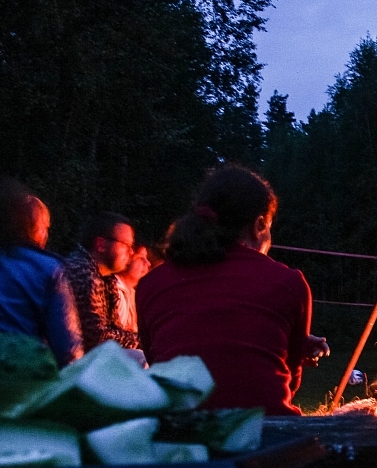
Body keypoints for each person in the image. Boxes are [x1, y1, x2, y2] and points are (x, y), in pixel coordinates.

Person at [136, 166, 329, 416]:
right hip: (265, 436)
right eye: (269, 226)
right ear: (259, 225)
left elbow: (158, 360)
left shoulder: (151, 284)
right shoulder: (288, 282)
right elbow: (289, 384)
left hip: (177, 432)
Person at [0, 177, 82, 366]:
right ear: (29, 227)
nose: (46, 235)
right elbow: (69, 350)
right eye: (44, 228)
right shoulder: (47, 268)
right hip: (15, 373)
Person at [64, 211, 141, 352]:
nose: (131, 252)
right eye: (126, 245)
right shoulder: (83, 272)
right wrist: (144, 341)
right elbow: (99, 337)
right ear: (101, 245)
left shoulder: (104, 278)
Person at [114, 244, 151, 334]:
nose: (148, 263)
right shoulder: (114, 291)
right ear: (127, 258)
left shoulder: (132, 294)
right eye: (141, 257)